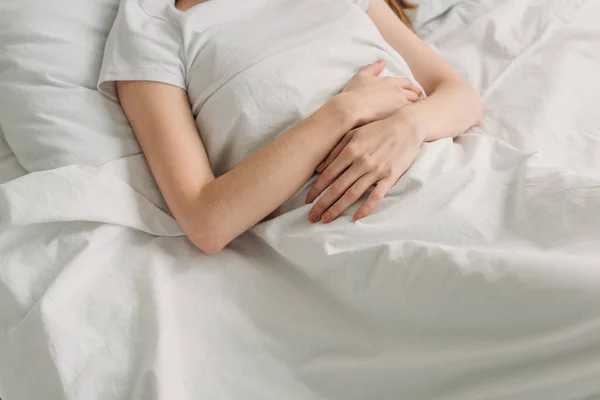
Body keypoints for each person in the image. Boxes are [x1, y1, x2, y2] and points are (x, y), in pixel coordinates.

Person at [98, 0, 482, 254]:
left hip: (459, 178)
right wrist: (344, 111)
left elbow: (460, 96)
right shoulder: (151, 25)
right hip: (355, 229)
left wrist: (409, 125)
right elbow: (206, 221)